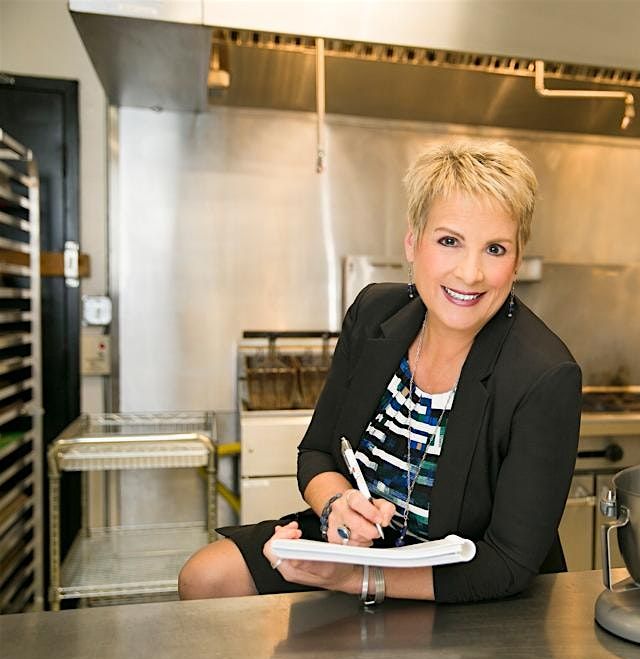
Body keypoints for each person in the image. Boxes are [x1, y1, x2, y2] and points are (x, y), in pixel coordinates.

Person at [179, 140, 583, 604]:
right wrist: (337, 507)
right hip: (360, 550)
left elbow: (508, 564)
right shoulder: (374, 314)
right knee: (204, 577)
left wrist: (356, 579)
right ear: (413, 242)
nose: (470, 273)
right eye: (449, 241)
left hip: (465, 585)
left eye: (495, 248)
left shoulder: (545, 375)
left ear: (516, 259)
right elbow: (317, 452)